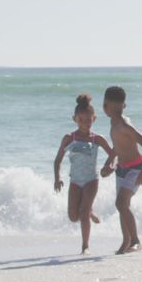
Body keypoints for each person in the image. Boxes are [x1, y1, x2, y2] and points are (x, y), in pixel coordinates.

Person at [53, 94, 114, 254]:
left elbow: (113, 154)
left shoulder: (97, 139)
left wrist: (109, 167)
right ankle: (89, 212)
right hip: (75, 181)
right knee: (73, 216)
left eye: (88, 120)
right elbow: (58, 160)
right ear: (75, 119)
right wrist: (57, 178)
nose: (84, 123)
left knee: (84, 212)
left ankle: (85, 246)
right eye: (81, 120)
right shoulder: (69, 138)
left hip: (91, 181)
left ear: (94, 119)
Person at [103, 85, 142, 254]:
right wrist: (109, 162)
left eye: (115, 107)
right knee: (123, 206)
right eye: (110, 106)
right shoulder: (113, 123)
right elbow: (118, 146)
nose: (111, 110)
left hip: (134, 169)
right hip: (121, 169)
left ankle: (136, 241)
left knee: (121, 203)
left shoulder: (124, 125)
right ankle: (126, 241)